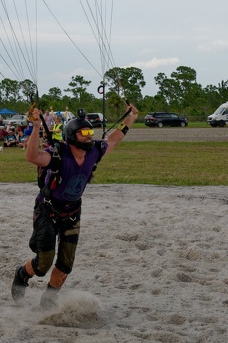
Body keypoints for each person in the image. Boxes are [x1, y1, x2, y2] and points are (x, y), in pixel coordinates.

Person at [11, 102, 139, 308]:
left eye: (90, 131)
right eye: (84, 132)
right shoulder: (58, 154)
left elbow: (114, 139)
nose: (90, 135)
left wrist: (130, 118)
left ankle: (49, 299)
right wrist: (35, 127)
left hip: (72, 213)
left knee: (65, 264)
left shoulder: (95, 151)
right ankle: (22, 274)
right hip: (48, 211)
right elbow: (32, 157)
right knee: (43, 264)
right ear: (72, 136)